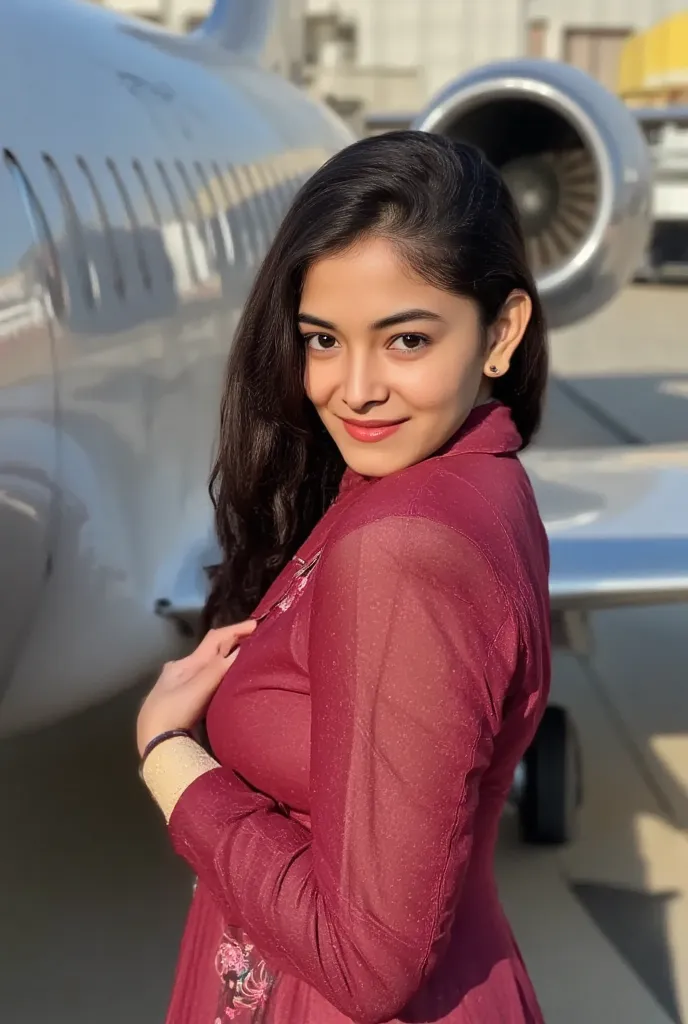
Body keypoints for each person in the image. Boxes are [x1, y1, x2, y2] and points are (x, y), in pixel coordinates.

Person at [137, 130, 551, 1024]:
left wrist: (169, 757)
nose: (352, 388)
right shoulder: (468, 473)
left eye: (405, 339)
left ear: (501, 331)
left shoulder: (404, 547)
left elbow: (365, 965)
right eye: (322, 339)